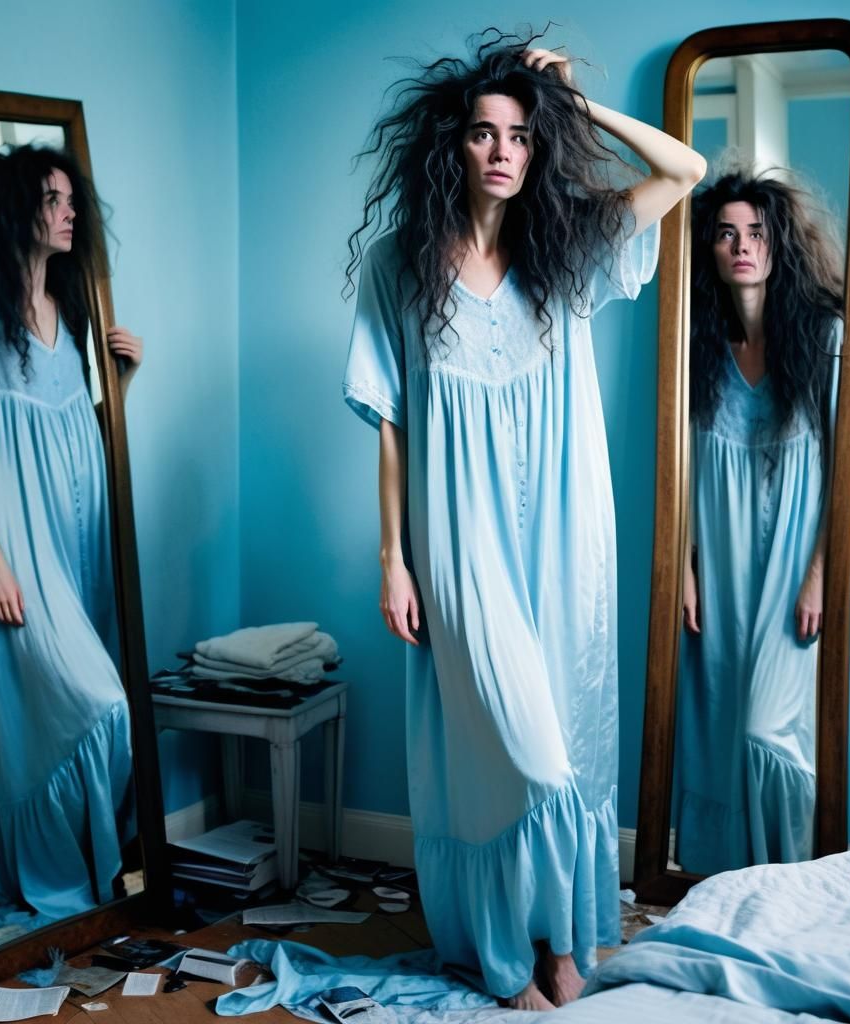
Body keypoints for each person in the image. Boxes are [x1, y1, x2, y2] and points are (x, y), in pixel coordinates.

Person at [343, 31, 704, 1009]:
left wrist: (568, 103)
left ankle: (555, 950)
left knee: (570, 743)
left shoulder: (570, 249)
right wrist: (393, 557)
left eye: (519, 134)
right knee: (517, 752)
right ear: (449, 147)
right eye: (482, 133)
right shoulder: (398, 266)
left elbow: (686, 168)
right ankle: (516, 956)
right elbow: (391, 422)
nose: (501, 149)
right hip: (455, 538)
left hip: (567, 530)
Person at [0, 144, 142, 919]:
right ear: (20, 212)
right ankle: (58, 877)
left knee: (105, 705)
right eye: (55, 200)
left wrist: (119, 386)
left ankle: (97, 876)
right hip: (19, 555)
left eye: (72, 199)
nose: (71, 212)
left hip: (81, 544)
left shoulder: (70, 313)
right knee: (100, 703)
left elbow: (74, 437)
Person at [675, 169, 843, 875]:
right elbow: (677, 469)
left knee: (766, 731)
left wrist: (819, 575)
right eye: (726, 233)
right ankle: (721, 887)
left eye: (757, 233)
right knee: (713, 730)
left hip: (791, 564)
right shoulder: (695, 351)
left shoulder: (824, 339)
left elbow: (843, 475)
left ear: (781, 245)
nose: (742, 245)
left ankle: (788, 887)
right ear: (709, 250)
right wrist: (680, 565)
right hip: (716, 560)